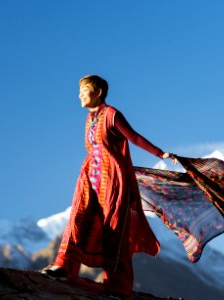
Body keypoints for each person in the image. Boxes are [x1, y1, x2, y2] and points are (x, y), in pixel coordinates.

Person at [41, 75, 173, 298]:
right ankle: (64, 267)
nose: (80, 95)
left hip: (112, 181)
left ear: (99, 91)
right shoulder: (89, 119)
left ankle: (117, 287)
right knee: (78, 219)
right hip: (89, 179)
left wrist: (161, 153)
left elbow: (133, 137)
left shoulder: (111, 114)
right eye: (79, 91)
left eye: (84, 90)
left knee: (113, 230)